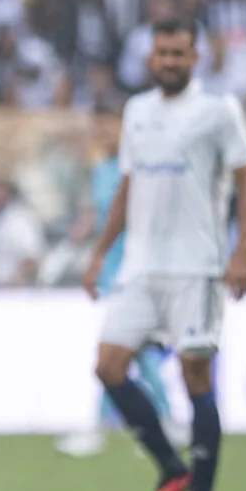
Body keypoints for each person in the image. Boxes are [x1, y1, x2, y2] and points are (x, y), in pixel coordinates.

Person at [83, 19, 246, 491]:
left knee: (194, 373)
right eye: (162, 53)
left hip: (197, 266)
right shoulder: (137, 110)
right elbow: (127, 188)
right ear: (151, 57)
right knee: (108, 365)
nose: (169, 62)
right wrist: (99, 254)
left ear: (195, 58)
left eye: (179, 54)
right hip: (141, 266)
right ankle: (171, 468)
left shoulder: (217, 112)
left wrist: (241, 249)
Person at [56, 113, 178, 458]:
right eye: (99, 129)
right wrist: (78, 240)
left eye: (109, 127)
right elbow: (98, 215)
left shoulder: (138, 170)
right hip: (113, 274)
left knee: (119, 353)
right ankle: (160, 422)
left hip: (137, 272)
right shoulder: (102, 171)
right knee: (124, 353)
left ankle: (145, 422)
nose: (103, 134)